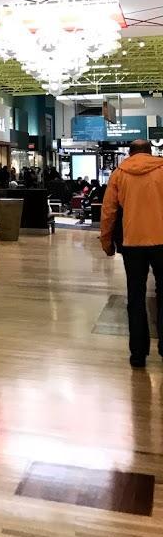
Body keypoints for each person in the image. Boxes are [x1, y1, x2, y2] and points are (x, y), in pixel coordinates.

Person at [100, 139, 163, 368]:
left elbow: (108, 211)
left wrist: (106, 241)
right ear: (150, 151)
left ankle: (138, 354)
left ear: (129, 153)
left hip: (132, 242)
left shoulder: (119, 174)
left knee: (135, 296)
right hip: (162, 242)